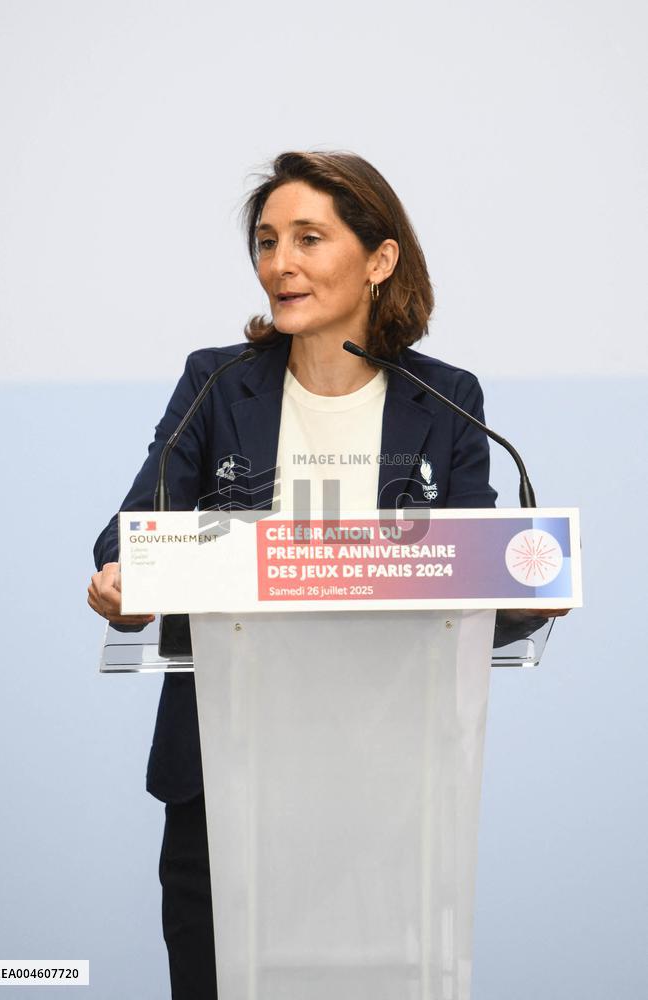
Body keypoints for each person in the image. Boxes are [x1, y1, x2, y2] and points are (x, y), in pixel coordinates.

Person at [88, 150, 562, 999]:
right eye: (267, 242)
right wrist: (123, 589)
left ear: (379, 260)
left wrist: (531, 595)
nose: (282, 263)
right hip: (222, 772)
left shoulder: (444, 399)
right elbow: (128, 539)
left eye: (310, 238)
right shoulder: (218, 383)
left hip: (386, 781)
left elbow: (473, 574)